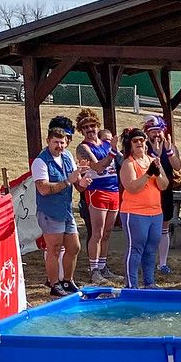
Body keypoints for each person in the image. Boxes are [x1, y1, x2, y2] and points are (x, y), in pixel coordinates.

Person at [32, 120, 91, 297]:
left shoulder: (67, 157)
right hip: (50, 212)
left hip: (65, 211)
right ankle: (54, 284)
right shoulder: (40, 162)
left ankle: (67, 280)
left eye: (62, 142)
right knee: (54, 249)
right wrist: (68, 181)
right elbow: (43, 189)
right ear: (48, 141)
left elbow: (76, 182)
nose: (59, 146)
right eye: (56, 142)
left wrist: (83, 183)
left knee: (74, 247)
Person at [74, 109, 122, 285]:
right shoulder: (84, 147)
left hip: (113, 189)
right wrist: (113, 151)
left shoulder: (105, 143)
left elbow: (118, 163)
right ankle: (94, 269)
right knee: (97, 232)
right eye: (85, 127)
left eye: (92, 126)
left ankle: (103, 266)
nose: (90, 129)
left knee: (108, 232)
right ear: (82, 130)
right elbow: (99, 167)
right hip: (97, 190)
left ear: (97, 126)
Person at [119, 128, 168, 289]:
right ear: (130, 144)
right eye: (135, 141)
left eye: (142, 140)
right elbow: (132, 187)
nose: (139, 143)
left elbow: (164, 185)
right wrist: (147, 175)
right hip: (134, 212)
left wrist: (158, 172)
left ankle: (149, 282)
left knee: (151, 248)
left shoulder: (152, 160)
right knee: (136, 248)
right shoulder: (128, 163)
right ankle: (131, 285)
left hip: (155, 212)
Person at [144, 115, 181, 275]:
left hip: (165, 191)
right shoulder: (143, 146)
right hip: (147, 192)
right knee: (147, 229)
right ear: (147, 133)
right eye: (153, 131)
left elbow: (178, 166)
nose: (156, 134)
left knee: (164, 227)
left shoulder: (170, 146)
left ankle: (163, 263)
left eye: (158, 131)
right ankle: (147, 261)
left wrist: (169, 151)